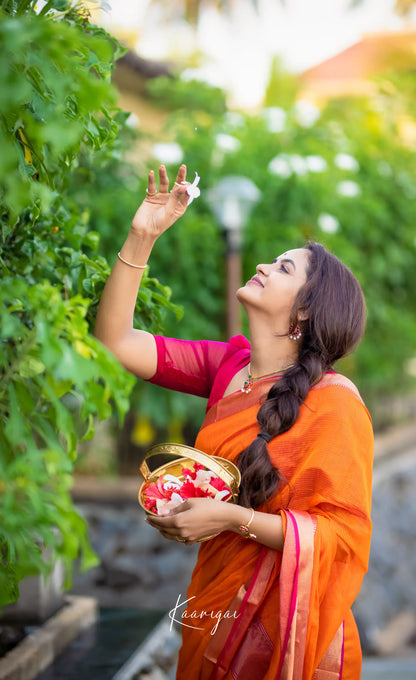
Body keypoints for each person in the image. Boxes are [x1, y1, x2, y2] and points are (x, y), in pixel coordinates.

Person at [94, 164, 373, 680]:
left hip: (288, 633)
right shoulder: (228, 365)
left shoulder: (335, 405)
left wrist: (229, 519)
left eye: (284, 269)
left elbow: (341, 536)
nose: (266, 265)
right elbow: (116, 341)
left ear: (306, 313)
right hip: (215, 605)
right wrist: (142, 235)